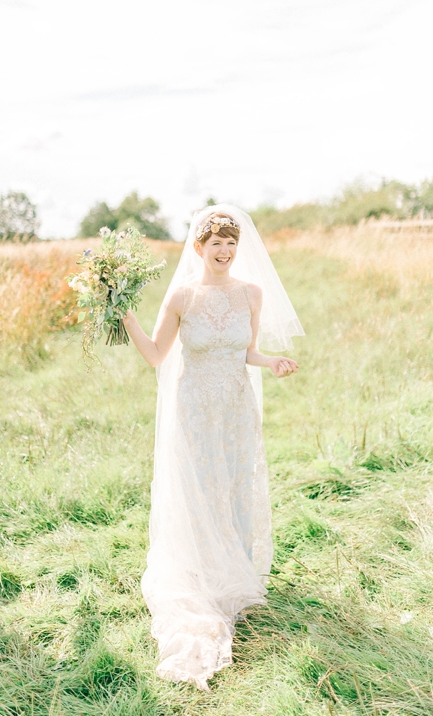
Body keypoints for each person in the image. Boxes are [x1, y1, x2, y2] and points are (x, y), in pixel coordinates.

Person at [122, 203, 302, 689]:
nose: (224, 251)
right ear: (198, 248)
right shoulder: (182, 296)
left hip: (236, 408)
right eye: (216, 243)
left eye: (231, 243)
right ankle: (201, 572)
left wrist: (273, 362)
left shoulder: (251, 293)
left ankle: (235, 570)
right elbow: (158, 355)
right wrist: (127, 319)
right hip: (195, 410)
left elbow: (247, 351)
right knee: (200, 486)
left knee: (234, 485)